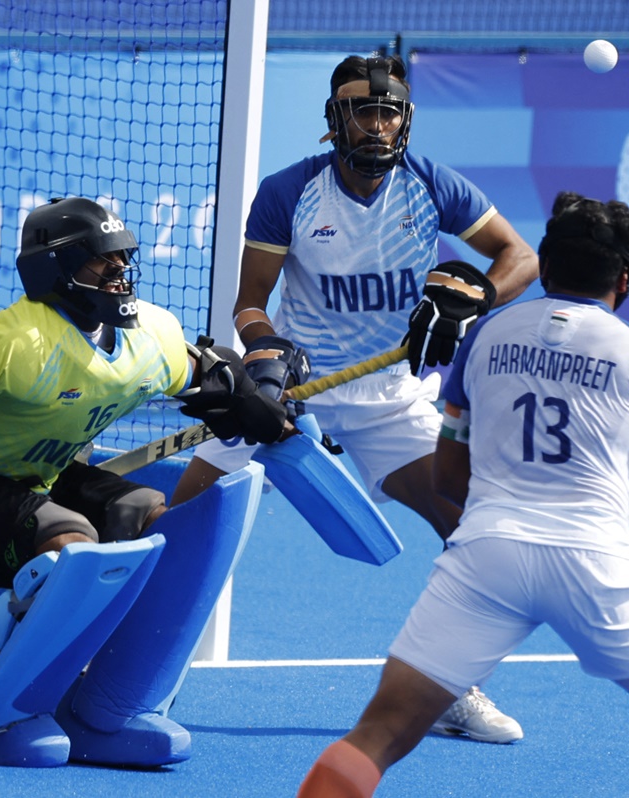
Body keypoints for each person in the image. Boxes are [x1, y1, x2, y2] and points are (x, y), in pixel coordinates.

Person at [296, 192, 629, 798]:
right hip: (597, 561)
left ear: (545, 263)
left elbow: (448, 483)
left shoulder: (483, 338)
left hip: (485, 555)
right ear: (625, 278)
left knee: (378, 733)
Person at [0, 196, 291, 768]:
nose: (119, 272)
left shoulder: (153, 335)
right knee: (69, 538)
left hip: (36, 479)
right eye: (101, 260)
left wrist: (257, 402)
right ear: (54, 269)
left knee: (155, 519)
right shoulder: (17, 342)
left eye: (122, 258)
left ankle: (106, 710)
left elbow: (212, 380)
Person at [169, 53, 539, 743]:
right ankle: (110, 656)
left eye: (389, 111)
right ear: (335, 121)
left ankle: (450, 688)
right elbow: (250, 302)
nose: (377, 124)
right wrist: (264, 351)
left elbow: (520, 256)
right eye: (362, 112)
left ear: (406, 120)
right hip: (294, 389)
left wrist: (477, 298)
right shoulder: (290, 192)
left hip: (388, 395)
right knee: (184, 510)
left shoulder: (434, 186)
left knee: (469, 523)